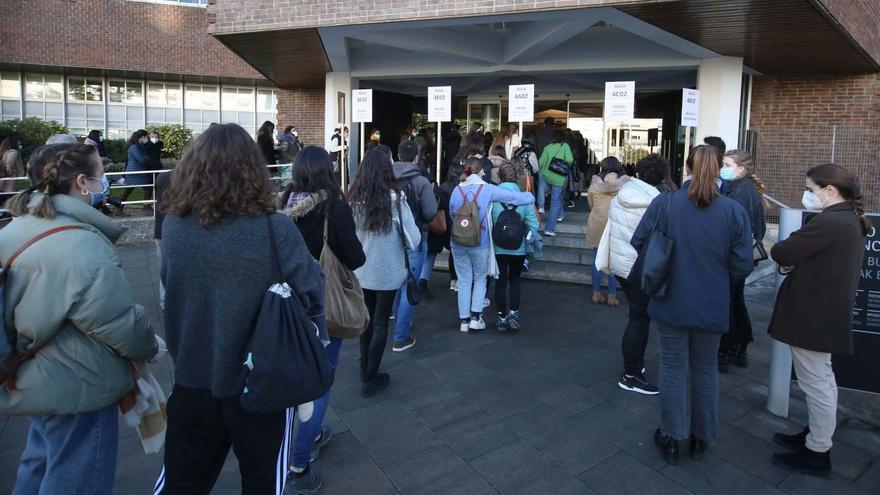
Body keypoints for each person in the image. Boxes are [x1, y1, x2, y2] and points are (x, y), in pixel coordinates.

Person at [156, 123, 325, 493]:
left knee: (182, 483)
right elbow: (312, 290)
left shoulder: (173, 226)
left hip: (191, 379)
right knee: (263, 482)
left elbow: (171, 287)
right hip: (259, 381)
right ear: (253, 169)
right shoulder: (273, 228)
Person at [2, 143, 157, 495]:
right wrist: (151, 345)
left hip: (31, 374)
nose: (106, 181)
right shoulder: (82, 244)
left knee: (38, 464)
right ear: (83, 183)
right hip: (81, 383)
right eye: (101, 174)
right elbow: (120, 324)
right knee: (78, 478)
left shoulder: (14, 230)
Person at [633, 144, 753, 465]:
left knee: (673, 368)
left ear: (685, 169)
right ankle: (703, 436)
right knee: (705, 369)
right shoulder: (732, 211)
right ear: (718, 172)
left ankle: (674, 435)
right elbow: (743, 265)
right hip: (712, 302)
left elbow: (639, 241)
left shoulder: (665, 204)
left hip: (670, 298)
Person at [769, 164, 869, 476]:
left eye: (812, 190)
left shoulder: (830, 221)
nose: (808, 195)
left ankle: (818, 450)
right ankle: (815, 435)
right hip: (824, 310)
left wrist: (787, 258)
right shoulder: (847, 219)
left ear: (830, 190)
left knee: (817, 384)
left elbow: (784, 251)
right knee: (821, 379)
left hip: (814, 313)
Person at [280, 146, 365, 493]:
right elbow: (355, 257)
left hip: (284, 306)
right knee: (321, 380)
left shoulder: (281, 205)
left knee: (289, 379)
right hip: (323, 305)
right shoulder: (333, 205)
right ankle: (299, 457)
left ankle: (301, 437)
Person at [595, 154, 670, 395]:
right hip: (641, 267)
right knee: (639, 319)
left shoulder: (623, 195)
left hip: (621, 264)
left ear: (637, 173)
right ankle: (631, 374)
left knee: (637, 317)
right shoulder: (659, 202)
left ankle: (635, 366)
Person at [348, 146, 420, 396]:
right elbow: (415, 240)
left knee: (366, 321)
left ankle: (363, 365)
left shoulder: (353, 200)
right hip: (389, 272)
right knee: (380, 323)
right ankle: (371, 375)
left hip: (361, 271)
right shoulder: (397, 201)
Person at [449, 157, 534, 332]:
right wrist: (529, 196)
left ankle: (464, 321)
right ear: (480, 171)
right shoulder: (486, 189)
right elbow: (514, 198)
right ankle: (475, 317)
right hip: (480, 242)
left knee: (464, 280)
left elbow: (452, 214)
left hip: (458, 242)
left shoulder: (456, 190)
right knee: (480, 279)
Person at [717, 150, 767, 372]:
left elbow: (734, 229)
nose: (723, 167)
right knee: (735, 302)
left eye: (727, 164)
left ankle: (726, 350)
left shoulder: (741, 192)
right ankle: (738, 347)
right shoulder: (739, 188)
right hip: (738, 259)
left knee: (728, 304)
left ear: (741, 169)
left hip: (733, 260)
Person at [389, 140, 438, 352]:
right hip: (415, 237)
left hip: (389, 238)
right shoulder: (421, 182)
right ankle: (400, 336)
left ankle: (397, 319)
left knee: (395, 282)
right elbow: (430, 212)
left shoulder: (384, 178)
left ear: (398, 156)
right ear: (416, 157)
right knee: (409, 286)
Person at [492, 163, 539, 332]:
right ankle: (513, 315)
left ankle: (501, 317)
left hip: (498, 247)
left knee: (500, 282)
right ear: (516, 177)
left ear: (499, 177)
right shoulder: (525, 198)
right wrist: (526, 241)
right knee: (515, 280)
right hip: (518, 248)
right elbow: (534, 225)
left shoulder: (493, 197)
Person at [587, 156, 629, 306]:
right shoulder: (624, 184)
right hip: (615, 225)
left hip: (597, 225)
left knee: (597, 262)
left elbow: (590, 203)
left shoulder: (595, 184)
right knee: (613, 263)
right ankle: (612, 296)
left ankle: (596, 293)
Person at [421, 164, 462, 295]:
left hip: (429, 228)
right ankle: (455, 279)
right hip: (449, 228)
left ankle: (420, 280)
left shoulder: (442, 188)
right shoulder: (459, 189)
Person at [538, 130, 573, 234]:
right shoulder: (565, 146)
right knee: (555, 202)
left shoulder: (547, 147)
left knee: (557, 199)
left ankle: (560, 214)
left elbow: (541, 162)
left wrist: (544, 172)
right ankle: (549, 229)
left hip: (547, 176)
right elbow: (570, 160)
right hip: (559, 178)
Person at [118, 129, 153, 215]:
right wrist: (148, 158)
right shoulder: (135, 147)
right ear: (140, 137)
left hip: (135, 171)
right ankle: (146, 208)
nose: (146, 139)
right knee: (147, 188)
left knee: (129, 190)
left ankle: (119, 209)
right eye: (145, 137)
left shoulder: (136, 146)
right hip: (136, 172)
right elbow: (142, 159)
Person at [0, 137, 24, 201]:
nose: (20, 145)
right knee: (9, 197)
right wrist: (9, 171)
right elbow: (10, 161)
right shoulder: (13, 152)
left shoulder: (4, 152)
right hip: (10, 180)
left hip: (4, 180)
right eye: (19, 144)